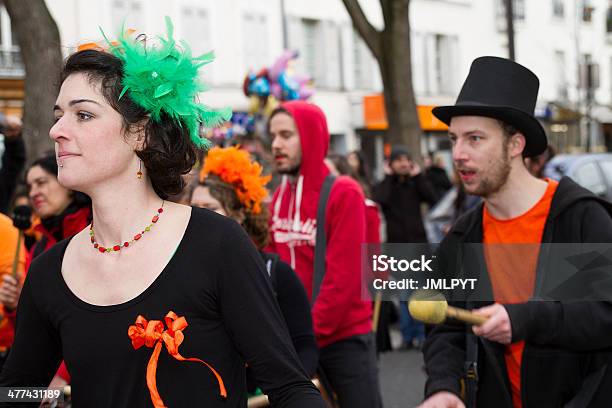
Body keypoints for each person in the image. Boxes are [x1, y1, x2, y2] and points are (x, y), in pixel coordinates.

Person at [0, 20, 324, 408]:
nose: (57, 130)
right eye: (58, 115)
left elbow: (290, 388)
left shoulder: (216, 244)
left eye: (82, 115)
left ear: (140, 133)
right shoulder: (48, 270)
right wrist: (51, 396)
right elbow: (15, 392)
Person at [420, 56, 612, 408]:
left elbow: (603, 314)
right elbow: (445, 329)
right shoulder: (463, 237)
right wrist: (443, 388)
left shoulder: (580, 218)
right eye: (453, 140)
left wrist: (526, 318)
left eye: (475, 139)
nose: (458, 154)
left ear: (515, 145)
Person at [268, 101, 382, 408]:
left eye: (286, 135)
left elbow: (343, 280)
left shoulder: (344, 192)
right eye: (273, 135)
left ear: (310, 136)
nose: (276, 144)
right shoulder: (278, 197)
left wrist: (304, 336)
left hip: (342, 339)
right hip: (296, 342)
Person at [191, 145, 319, 381]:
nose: (201, 218)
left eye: (210, 209)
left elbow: (305, 347)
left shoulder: (277, 274)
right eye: (194, 210)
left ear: (239, 215)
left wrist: (284, 390)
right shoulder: (183, 274)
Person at [0, 115, 26, 214]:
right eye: (9, 129)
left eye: (14, 130)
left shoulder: (17, 144)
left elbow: (16, 165)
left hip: (7, 181)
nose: (11, 132)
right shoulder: (5, 140)